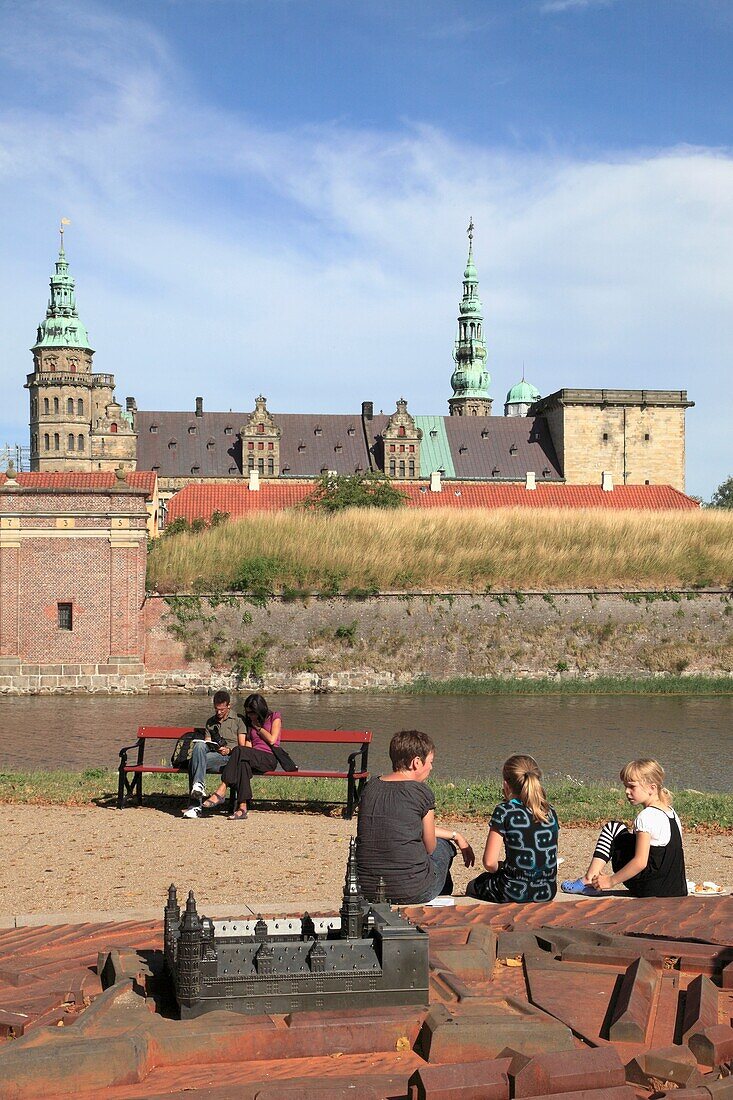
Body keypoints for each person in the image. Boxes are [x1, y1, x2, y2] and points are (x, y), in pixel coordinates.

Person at [356, 729, 475, 905]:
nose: (431, 768)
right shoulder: (420, 792)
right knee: (443, 847)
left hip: (365, 889)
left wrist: (456, 835)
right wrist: (453, 840)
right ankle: (439, 893)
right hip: (412, 891)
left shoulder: (370, 788)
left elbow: (403, 826)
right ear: (417, 762)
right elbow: (430, 847)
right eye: (430, 762)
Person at [561, 758, 686, 898]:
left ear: (652, 788)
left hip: (650, 889)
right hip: (676, 889)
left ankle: (588, 880)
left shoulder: (647, 816)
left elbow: (640, 862)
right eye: (625, 786)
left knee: (613, 828)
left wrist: (610, 881)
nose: (627, 791)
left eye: (632, 787)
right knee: (623, 832)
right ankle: (590, 879)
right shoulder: (671, 813)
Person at [466, 755, 559, 904]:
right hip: (547, 890)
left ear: (506, 784)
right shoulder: (550, 811)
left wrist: (501, 867)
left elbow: (489, 863)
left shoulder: (504, 811)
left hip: (514, 891)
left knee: (473, 886)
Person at [196, 693, 282, 821]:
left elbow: (272, 740)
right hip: (253, 756)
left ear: (260, 709)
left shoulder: (274, 717)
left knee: (238, 751)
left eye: (252, 713)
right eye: (248, 713)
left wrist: (258, 727)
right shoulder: (249, 722)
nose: (250, 716)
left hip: (268, 757)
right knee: (242, 763)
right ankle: (242, 808)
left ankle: (222, 789)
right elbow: (248, 744)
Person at [182, 689, 242, 817]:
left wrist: (229, 749)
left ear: (228, 706)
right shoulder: (210, 722)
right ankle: (199, 786)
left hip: (230, 758)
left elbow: (243, 745)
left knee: (195, 762)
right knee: (199, 746)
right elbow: (207, 741)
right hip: (214, 754)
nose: (219, 712)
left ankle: (195, 806)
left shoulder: (238, 720)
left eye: (222, 709)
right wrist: (213, 746)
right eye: (216, 709)